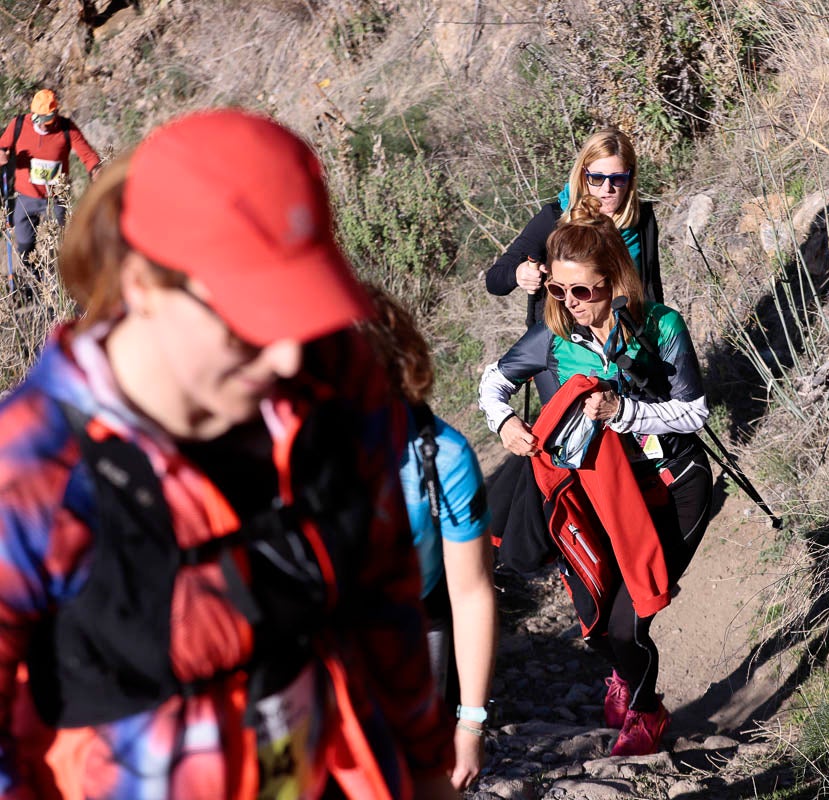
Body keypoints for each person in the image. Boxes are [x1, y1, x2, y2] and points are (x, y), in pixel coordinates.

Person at [0, 109, 457, 799]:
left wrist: (427, 770)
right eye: (251, 314)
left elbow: (384, 590)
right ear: (143, 286)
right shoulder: (30, 471)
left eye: (298, 304)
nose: (284, 353)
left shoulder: (333, 375)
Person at [478, 196, 712, 757]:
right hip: (595, 494)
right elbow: (493, 381)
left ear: (614, 279)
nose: (570, 302)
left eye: (582, 290)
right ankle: (625, 678)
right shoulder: (553, 337)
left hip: (672, 486)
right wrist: (506, 421)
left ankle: (647, 712)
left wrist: (625, 413)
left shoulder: (660, 326)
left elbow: (695, 411)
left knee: (631, 621)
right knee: (596, 619)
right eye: (559, 290)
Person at [361, 285, 497, 791]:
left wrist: (470, 723)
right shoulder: (295, 449)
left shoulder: (442, 458)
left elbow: (471, 593)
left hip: (419, 625)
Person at [485, 128, 662, 403]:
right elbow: (495, 279)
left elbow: (651, 288)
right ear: (583, 175)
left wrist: (658, 343)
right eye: (597, 178)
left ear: (631, 177)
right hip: (563, 345)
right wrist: (519, 273)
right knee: (570, 437)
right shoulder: (554, 218)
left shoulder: (643, 221)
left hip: (626, 343)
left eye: (617, 179)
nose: (607, 189)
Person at [0, 89, 101, 270]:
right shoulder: (19, 124)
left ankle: (57, 287)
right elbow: (2, 146)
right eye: (39, 119)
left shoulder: (66, 129)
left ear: (55, 114)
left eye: (48, 120)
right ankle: (32, 287)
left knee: (58, 247)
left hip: (55, 199)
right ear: (33, 113)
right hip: (26, 197)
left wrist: (95, 170)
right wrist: (1, 154)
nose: (43, 125)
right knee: (25, 246)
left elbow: (87, 155)